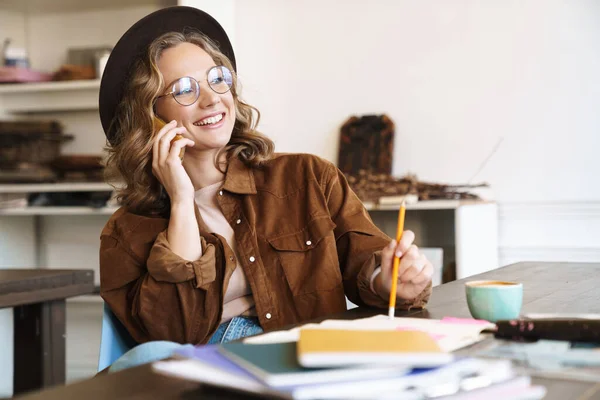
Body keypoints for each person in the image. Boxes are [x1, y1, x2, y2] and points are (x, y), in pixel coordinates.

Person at [98, 6, 433, 372]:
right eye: (184, 90)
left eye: (217, 79)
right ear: (150, 114)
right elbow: (171, 336)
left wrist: (389, 280)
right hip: (209, 371)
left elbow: (366, 265)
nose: (212, 99)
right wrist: (180, 201)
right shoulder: (126, 231)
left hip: (307, 362)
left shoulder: (308, 177)